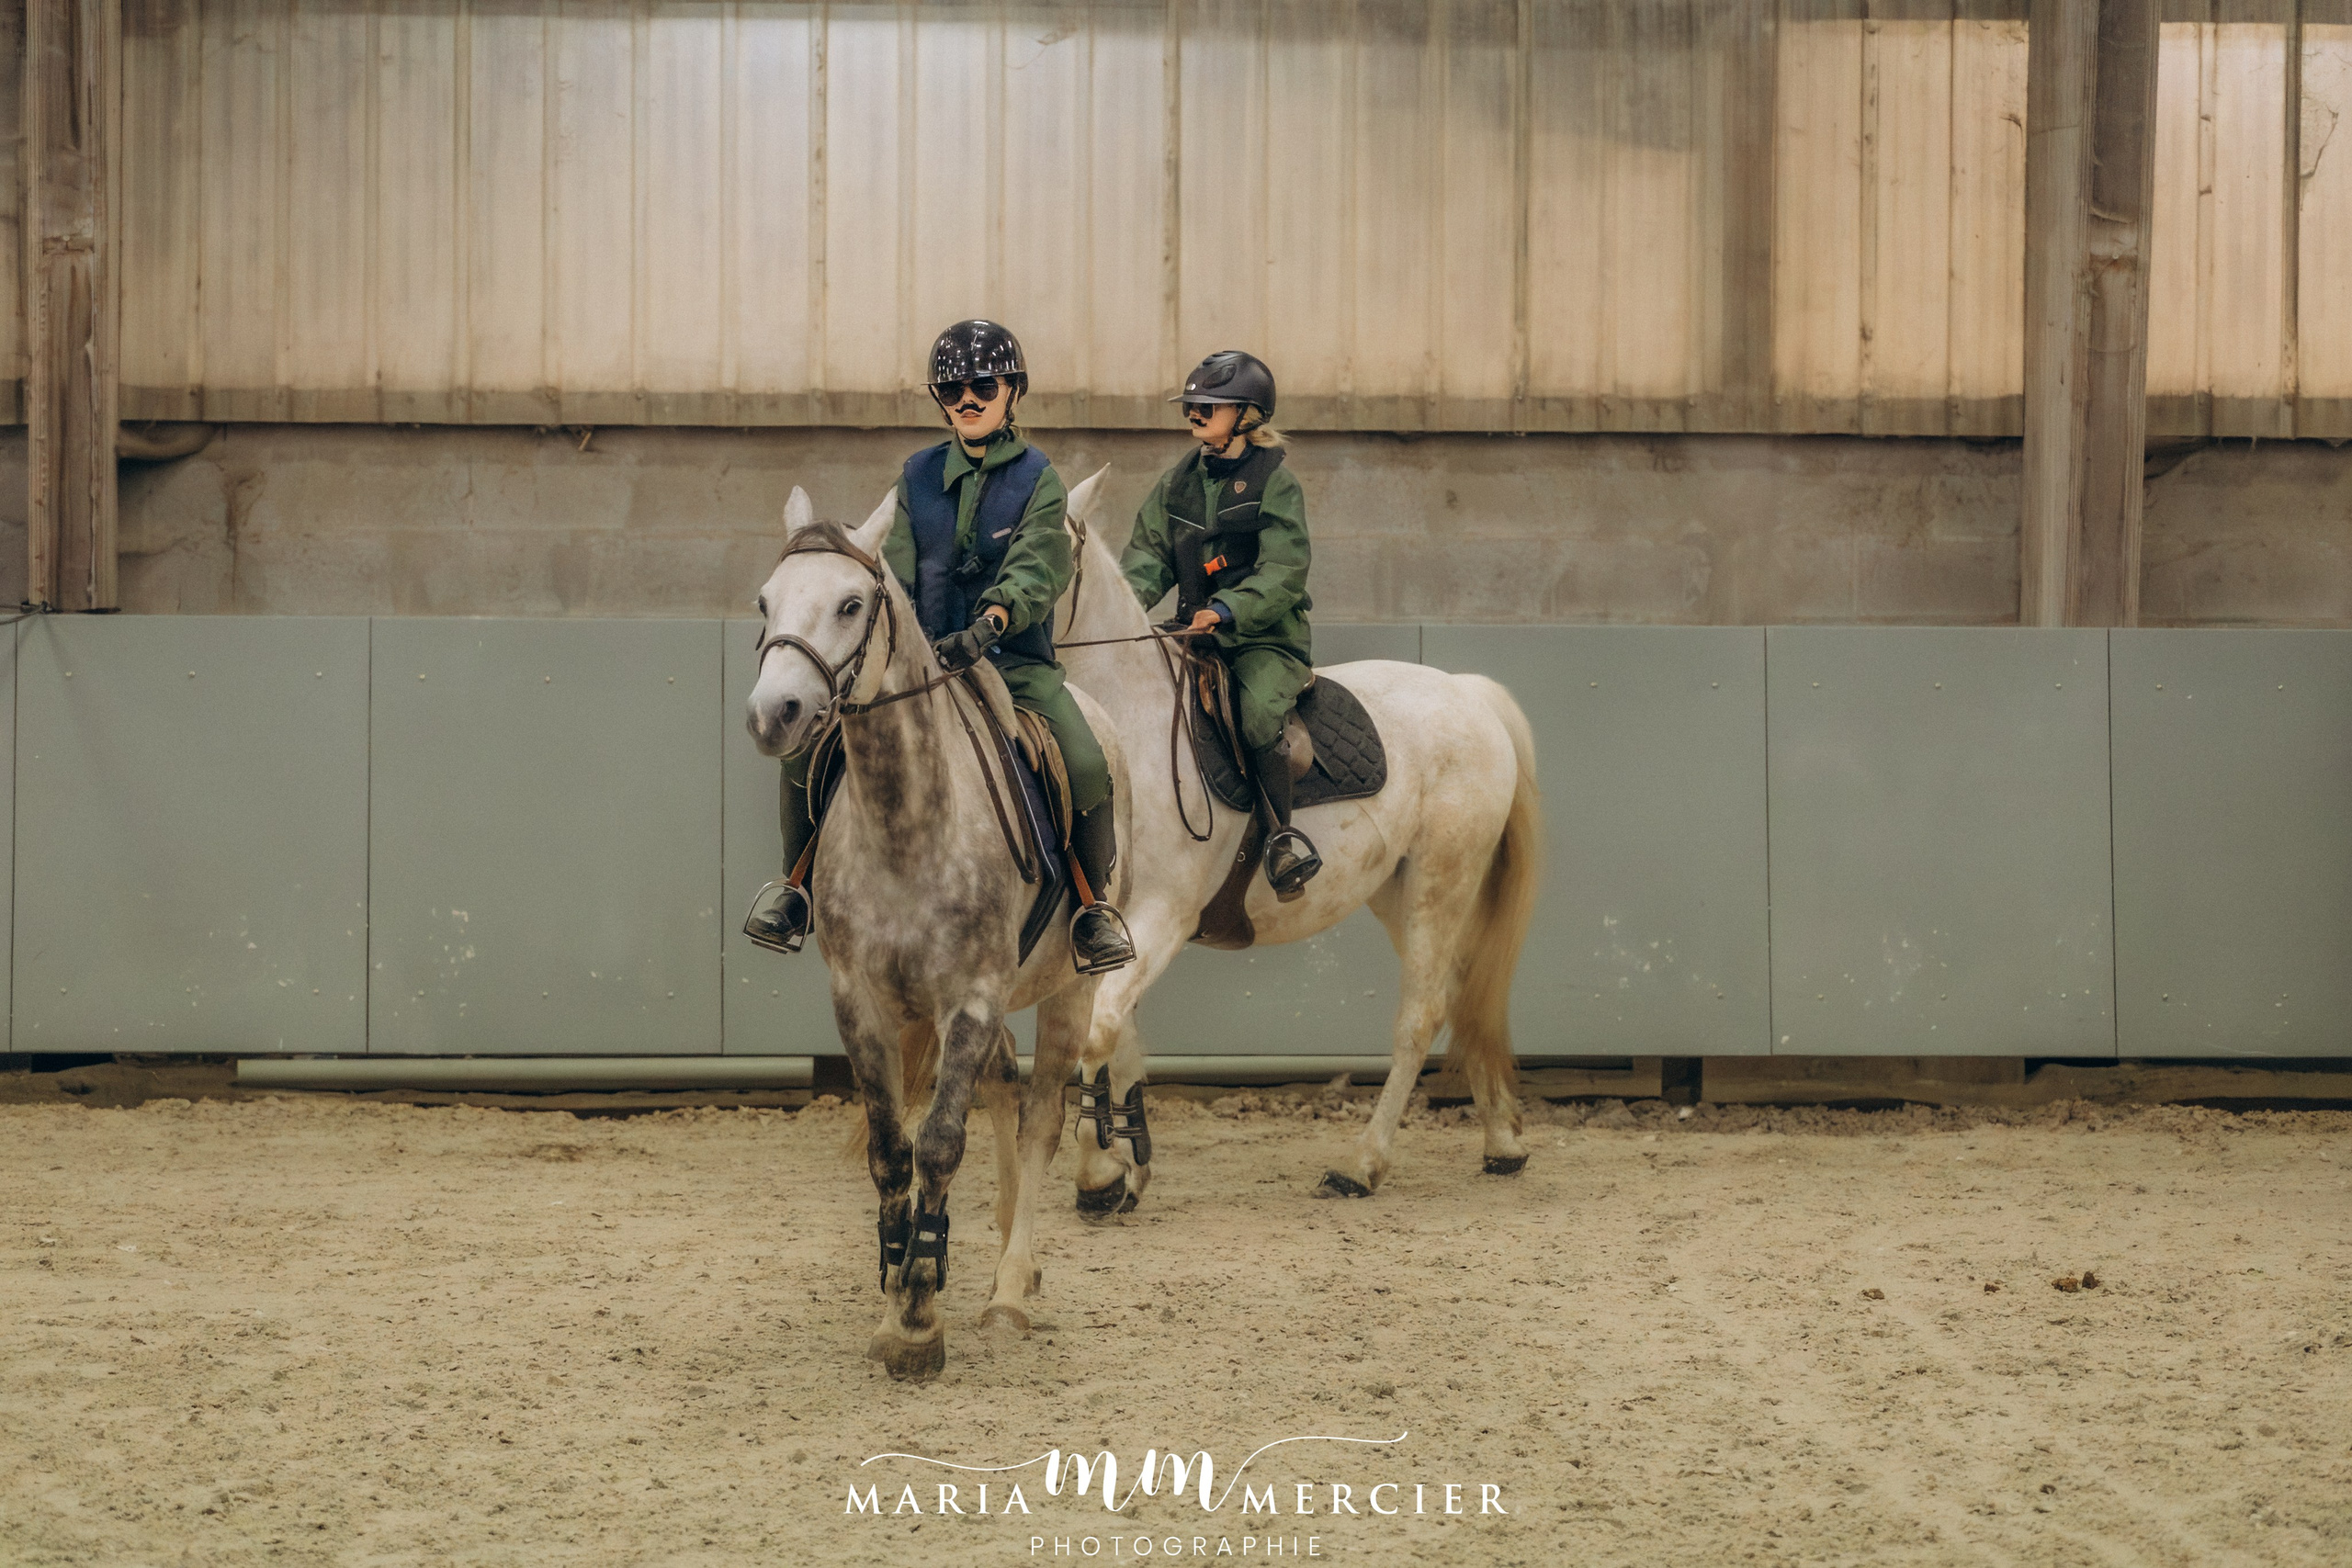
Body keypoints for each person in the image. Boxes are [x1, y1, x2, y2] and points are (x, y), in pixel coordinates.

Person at [745, 320, 1136, 974]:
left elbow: (1040, 565)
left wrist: (993, 619)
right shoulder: (918, 475)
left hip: (1013, 665)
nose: (968, 399)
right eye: (952, 388)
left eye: (983, 384)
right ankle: (795, 889)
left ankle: (1092, 910)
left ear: (1013, 390)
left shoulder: (1039, 479)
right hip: (919, 668)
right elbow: (893, 569)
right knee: (807, 753)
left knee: (1086, 759)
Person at [1119, 349, 1321, 898]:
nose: (1195, 416)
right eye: (1191, 407)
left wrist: (1228, 609)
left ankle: (1282, 836)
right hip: (1193, 632)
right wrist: (1124, 611)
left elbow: (1284, 569)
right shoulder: (1177, 481)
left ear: (1248, 414)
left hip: (1262, 638)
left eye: (1208, 407)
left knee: (1256, 716)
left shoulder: (1275, 482)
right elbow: (1147, 556)